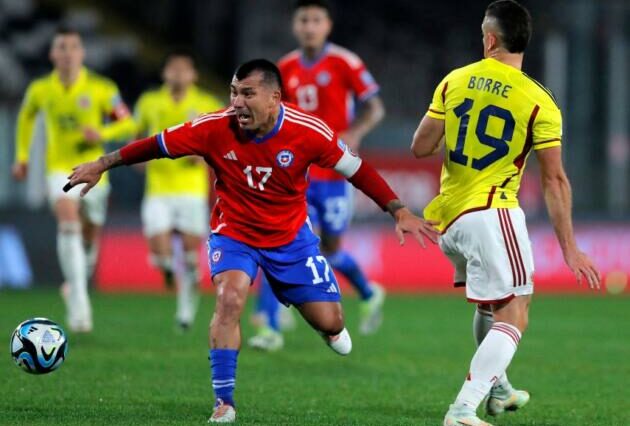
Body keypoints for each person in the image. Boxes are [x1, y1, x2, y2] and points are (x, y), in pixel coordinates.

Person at [65, 59, 438, 423]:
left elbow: (357, 170)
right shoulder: (213, 127)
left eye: (247, 93)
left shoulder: (309, 131)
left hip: (291, 239)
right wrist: (102, 163)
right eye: (233, 92)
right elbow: (154, 145)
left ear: (275, 98)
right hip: (235, 234)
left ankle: (305, 305)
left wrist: (399, 210)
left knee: (333, 324)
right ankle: (223, 402)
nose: (237, 102)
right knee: (229, 300)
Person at [411, 1, 601, 425]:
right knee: (516, 309)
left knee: (491, 308)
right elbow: (554, 180)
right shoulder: (539, 101)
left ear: (491, 39)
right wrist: (570, 248)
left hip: (450, 219)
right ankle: (462, 409)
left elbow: (421, 147)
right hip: (492, 211)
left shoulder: (455, 80)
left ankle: (499, 390)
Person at [249, 0, 387, 351]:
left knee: (332, 249)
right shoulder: (284, 68)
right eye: (303, 20)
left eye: (315, 20)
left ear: (327, 25)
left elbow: (375, 107)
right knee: (279, 241)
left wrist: (355, 133)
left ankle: (369, 292)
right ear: (295, 26)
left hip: (336, 172)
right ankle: (268, 326)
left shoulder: (345, 62)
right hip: (296, 174)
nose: (309, 26)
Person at [12, 27, 134, 333]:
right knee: (68, 222)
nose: (67, 53)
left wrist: (102, 134)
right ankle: (80, 304)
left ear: (82, 53)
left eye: (73, 47)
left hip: (93, 170)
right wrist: (22, 157)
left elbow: (127, 123)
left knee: (89, 236)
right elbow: (26, 118)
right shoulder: (41, 89)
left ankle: (80, 273)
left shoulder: (101, 88)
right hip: (59, 169)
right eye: (61, 47)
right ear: (53, 54)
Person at [133, 51, 223, 330]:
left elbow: (222, 141)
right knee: (159, 253)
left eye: (184, 70)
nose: (178, 74)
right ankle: (168, 271)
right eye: (173, 69)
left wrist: (205, 155)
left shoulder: (206, 103)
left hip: (191, 191)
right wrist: (140, 160)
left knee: (189, 254)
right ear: (165, 74)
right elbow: (136, 137)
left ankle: (185, 313)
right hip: (158, 189)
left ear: (193, 75)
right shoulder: (149, 102)